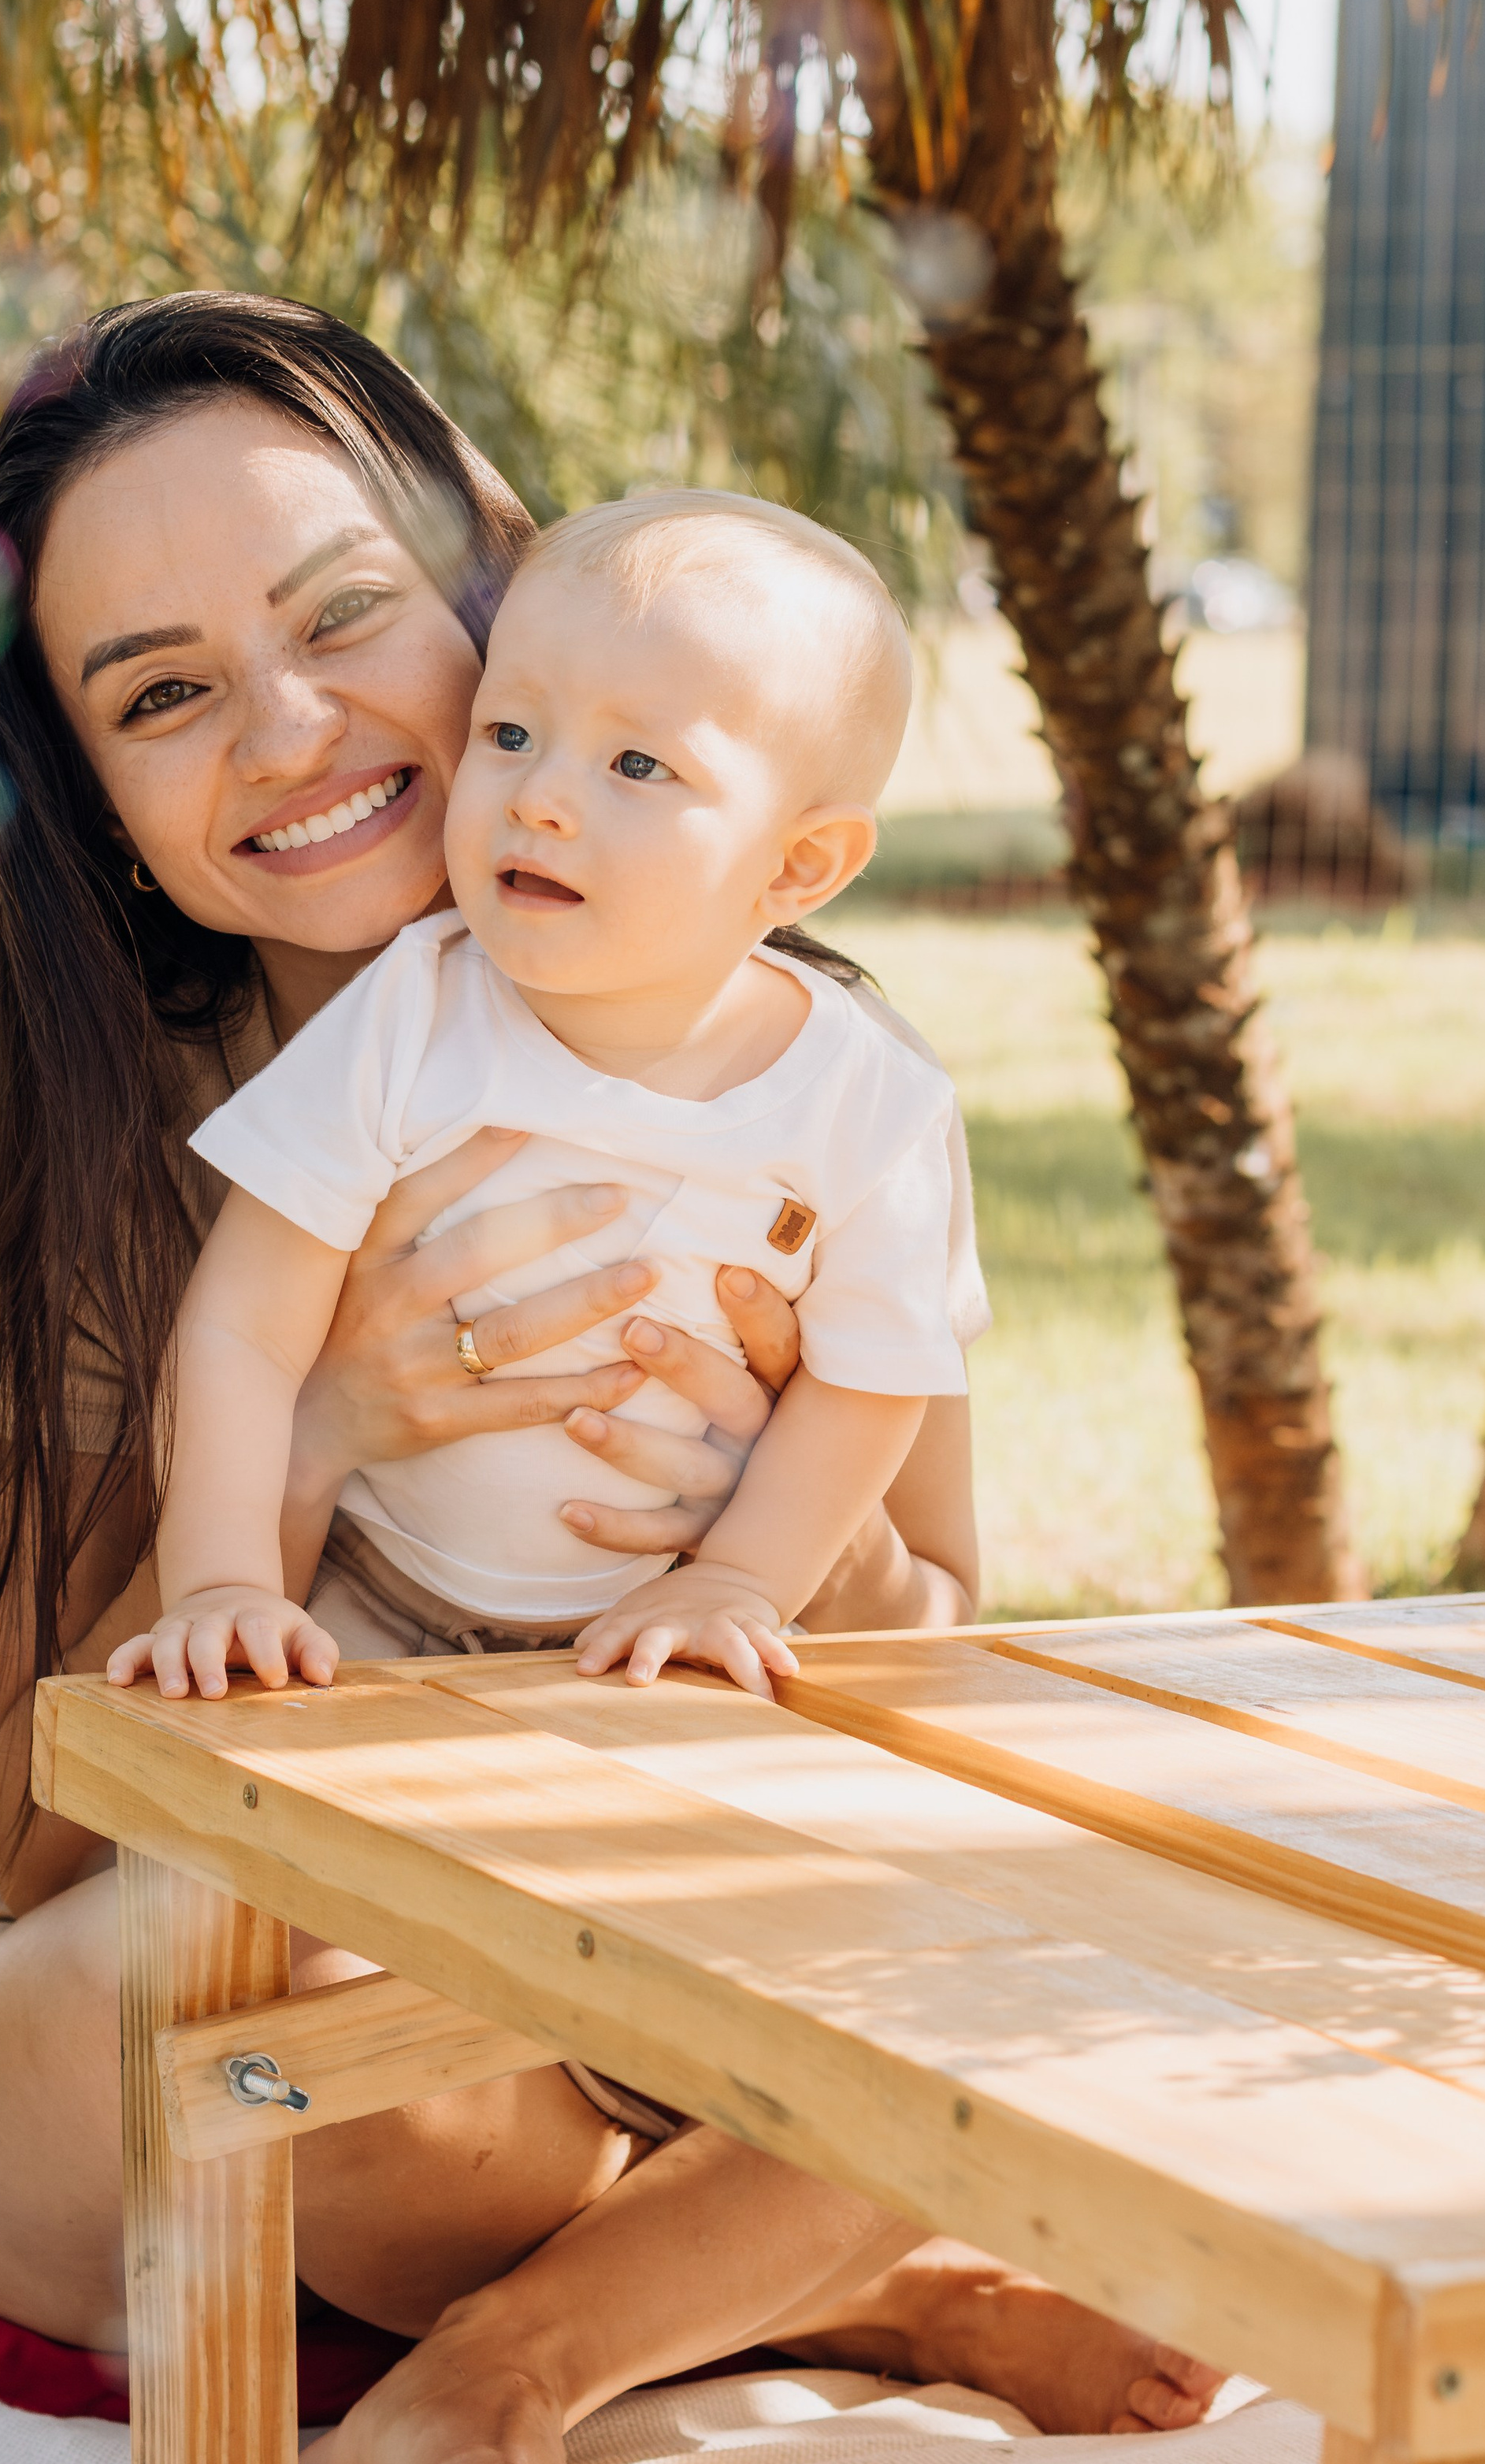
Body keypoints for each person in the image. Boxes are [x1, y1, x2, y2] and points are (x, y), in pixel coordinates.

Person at [0, 294, 1220, 2464]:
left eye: (346, 614)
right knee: (300, 2005)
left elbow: (935, 1628)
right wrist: (328, 1425)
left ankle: (500, 2365)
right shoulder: (71, 1146)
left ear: (489, 592)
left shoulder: (801, 1078)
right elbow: (45, 1839)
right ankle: (792, 2277)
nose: (293, 725)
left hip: (616, 1998)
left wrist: (762, 1537)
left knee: (1038, 1966)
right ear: (100, 807)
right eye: (161, 692)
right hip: (152, 2009)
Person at [123, 490, 965, 1706]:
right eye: (511, 731)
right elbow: (244, 1322)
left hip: (657, 1631)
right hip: (368, 1604)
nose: (538, 795)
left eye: (636, 763)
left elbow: (867, 1380)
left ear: (798, 864)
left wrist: (739, 1577)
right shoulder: (412, 1013)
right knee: (243, 1871)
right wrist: (220, 1582)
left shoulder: (869, 1099)